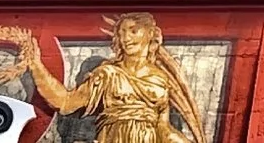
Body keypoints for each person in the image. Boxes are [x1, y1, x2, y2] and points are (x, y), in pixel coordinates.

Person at [26, 15, 205, 143]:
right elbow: (65, 103)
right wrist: (36, 66)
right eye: (121, 33)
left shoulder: (161, 79)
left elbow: (163, 129)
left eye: (134, 31)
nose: (126, 38)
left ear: (151, 34)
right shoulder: (107, 74)